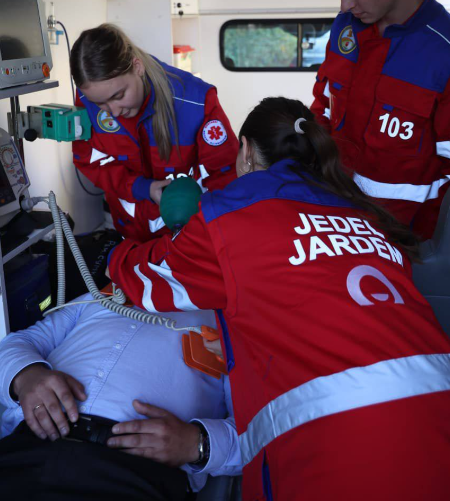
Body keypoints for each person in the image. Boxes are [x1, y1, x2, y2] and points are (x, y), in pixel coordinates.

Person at [107, 97, 450, 501]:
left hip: (344, 447)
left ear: (246, 151)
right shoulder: (366, 216)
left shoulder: (230, 213)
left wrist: (112, 253)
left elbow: (148, 282)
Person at [0, 294, 242, 500]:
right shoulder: (99, 295)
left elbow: (257, 434)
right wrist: (25, 375)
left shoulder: (235, 325)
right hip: (27, 448)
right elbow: (18, 342)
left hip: (133, 473)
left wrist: (197, 444)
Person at [310, 0, 450, 239]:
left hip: (406, 243)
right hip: (336, 224)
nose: (344, 5)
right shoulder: (346, 28)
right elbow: (323, 107)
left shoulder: (443, 52)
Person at [70, 23, 239, 242]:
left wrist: (211, 233)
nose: (114, 112)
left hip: (191, 231)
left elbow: (225, 174)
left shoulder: (196, 102)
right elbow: (89, 159)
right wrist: (142, 188)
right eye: (100, 104)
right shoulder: (88, 98)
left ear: (137, 67)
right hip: (130, 231)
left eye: (118, 96)